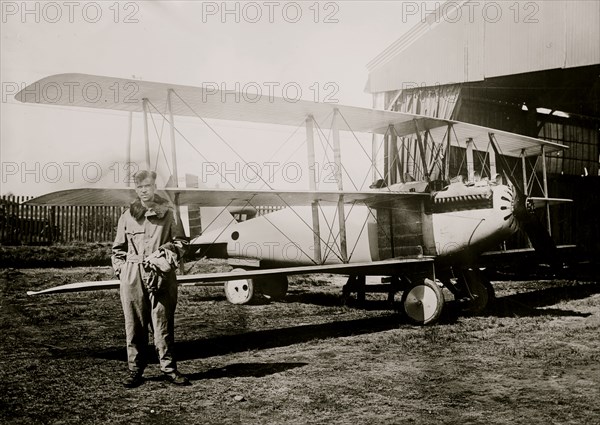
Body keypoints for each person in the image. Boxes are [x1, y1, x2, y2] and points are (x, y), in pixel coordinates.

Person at [111, 170, 190, 388]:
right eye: (140, 187)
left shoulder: (169, 214)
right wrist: (122, 272)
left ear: (155, 187)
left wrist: (165, 254)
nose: (144, 190)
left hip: (161, 274)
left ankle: (169, 369)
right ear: (136, 190)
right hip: (133, 275)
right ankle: (135, 371)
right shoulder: (127, 216)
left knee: (163, 322)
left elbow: (182, 242)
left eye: (148, 186)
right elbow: (117, 249)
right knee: (134, 325)